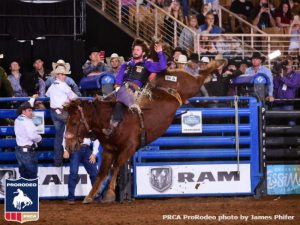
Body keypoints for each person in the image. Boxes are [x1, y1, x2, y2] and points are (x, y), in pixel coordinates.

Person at [102, 39, 167, 136]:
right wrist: (117, 88)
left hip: (135, 93)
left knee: (119, 103)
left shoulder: (147, 64)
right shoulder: (125, 65)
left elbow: (162, 67)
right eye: (134, 50)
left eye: (138, 50)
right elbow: (119, 79)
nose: (135, 52)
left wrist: (160, 53)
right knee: (104, 102)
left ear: (143, 53)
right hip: (121, 91)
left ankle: (113, 126)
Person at [46, 59, 78, 166]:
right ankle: (69, 157)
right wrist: (68, 101)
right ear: (59, 75)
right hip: (63, 113)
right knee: (68, 134)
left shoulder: (52, 85)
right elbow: (75, 97)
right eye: (63, 74)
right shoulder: (64, 86)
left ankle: (57, 161)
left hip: (54, 113)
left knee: (58, 136)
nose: (64, 76)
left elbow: (47, 95)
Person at [63, 138, 99, 204]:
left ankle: (96, 196)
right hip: (75, 148)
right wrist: (65, 150)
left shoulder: (89, 127)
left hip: (87, 149)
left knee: (94, 173)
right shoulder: (72, 126)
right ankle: (71, 198)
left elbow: (96, 139)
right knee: (73, 173)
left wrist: (94, 153)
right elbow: (66, 136)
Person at [14, 99, 42, 179]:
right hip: (27, 152)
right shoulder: (28, 121)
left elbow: (28, 103)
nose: (31, 112)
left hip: (19, 150)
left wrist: (33, 99)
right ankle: (32, 192)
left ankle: (26, 191)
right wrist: (40, 138)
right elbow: (33, 136)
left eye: (31, 110)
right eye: (29, 111)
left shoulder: (18, 119)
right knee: (32, 176)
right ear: (23, 112)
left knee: (23, 175)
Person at [273, 56, 300, 126]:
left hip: (288, 102)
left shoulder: (296, 74)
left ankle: (294, 136)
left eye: (288, 62)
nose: (287, 64)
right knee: (274, 123)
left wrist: (282, 77)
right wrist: (277, 75)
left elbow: (293, 85)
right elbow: (275, 86)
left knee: (291, 123)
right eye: (285, 62)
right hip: (277, 102)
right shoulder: (279, 73)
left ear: (292, 62)